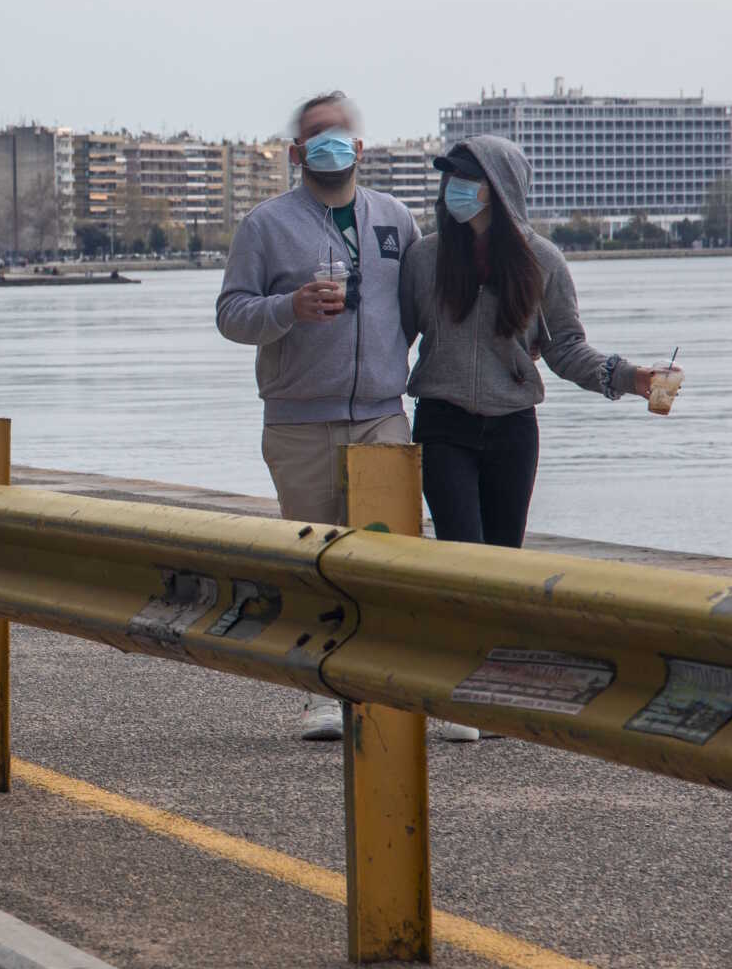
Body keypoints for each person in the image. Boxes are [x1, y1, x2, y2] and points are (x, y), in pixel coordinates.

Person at [218, 89, 474, 743]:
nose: (328, 143)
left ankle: (410, 692)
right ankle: (325, 693)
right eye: (315, 135)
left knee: (395, 561)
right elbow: (231, 314)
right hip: (299, 421)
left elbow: (422, 303)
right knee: (314, 561)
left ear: (359, 147)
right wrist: (287, 308)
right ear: (297, 152)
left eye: (339, 133)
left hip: (383, 416)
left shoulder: (394, 217)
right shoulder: (265, 226)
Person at [401, 136, 672, 549]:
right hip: (442, 425)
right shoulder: (423, 259)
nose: (454, 183)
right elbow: (393, 337)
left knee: (505, 556)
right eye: (450, 174)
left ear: (500, 185)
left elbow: (564, 346)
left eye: (468, 176)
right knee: (461, 551)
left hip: (512, 429)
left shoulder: (542, 261)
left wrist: (630, 377)